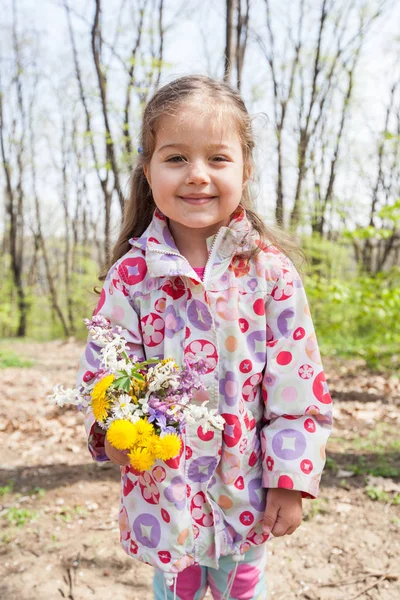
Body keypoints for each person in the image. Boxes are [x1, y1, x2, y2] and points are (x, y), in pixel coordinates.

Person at [77, 75, 332, 600]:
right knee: (176, 589)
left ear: (246, 169)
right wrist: (115, 430)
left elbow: (296, 383)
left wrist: (290, 476)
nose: (197, 176)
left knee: (243, 589)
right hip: (163, 491)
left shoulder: (270, 273)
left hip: (245, 490)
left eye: (217, 158)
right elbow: (106, 369)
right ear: (148, 171)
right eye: (175, 159)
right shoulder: (133, 276)